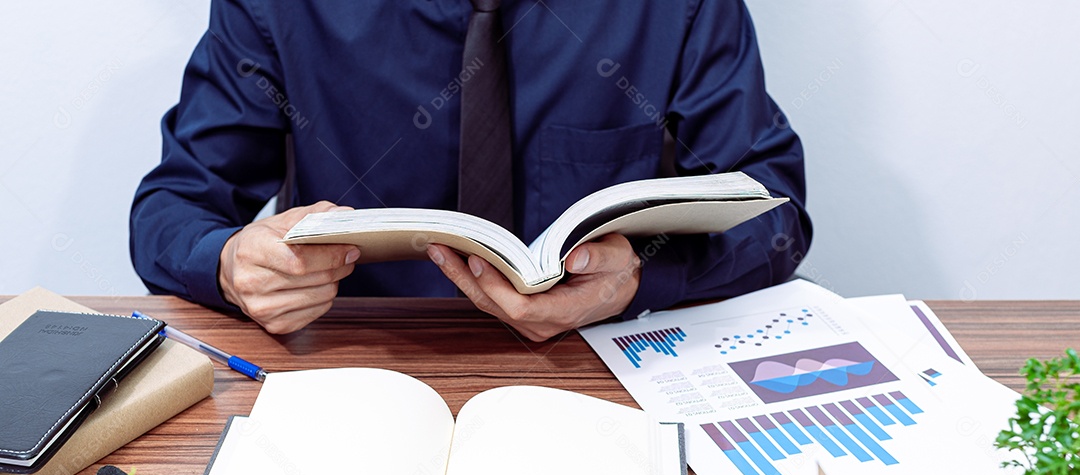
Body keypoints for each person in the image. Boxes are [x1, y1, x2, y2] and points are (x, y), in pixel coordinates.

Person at [130, 0, 811, 341]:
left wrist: (641, 274)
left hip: (601, 374)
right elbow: (174, 206)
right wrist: (231, 262)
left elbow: (775, 206)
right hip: (354, 377)